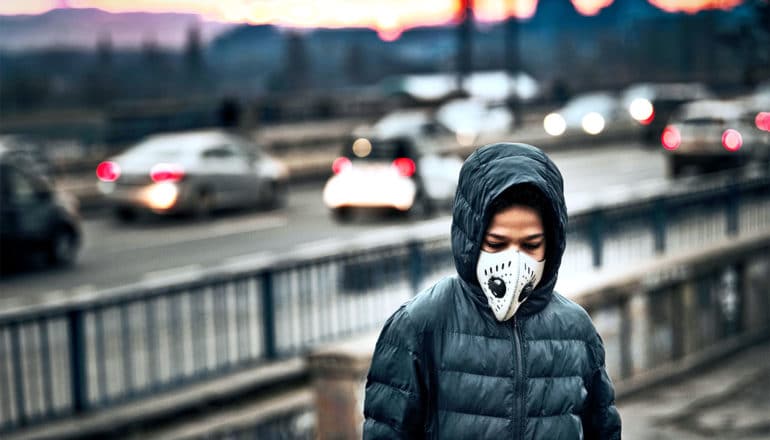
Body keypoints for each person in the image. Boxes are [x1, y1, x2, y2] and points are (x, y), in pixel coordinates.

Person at [363, 142, 621, 439]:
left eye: (531, 245)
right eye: (497, 244)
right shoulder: (419, 325)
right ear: (471, 237)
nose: (514, 260)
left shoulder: (576, 329)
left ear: (552, 243)